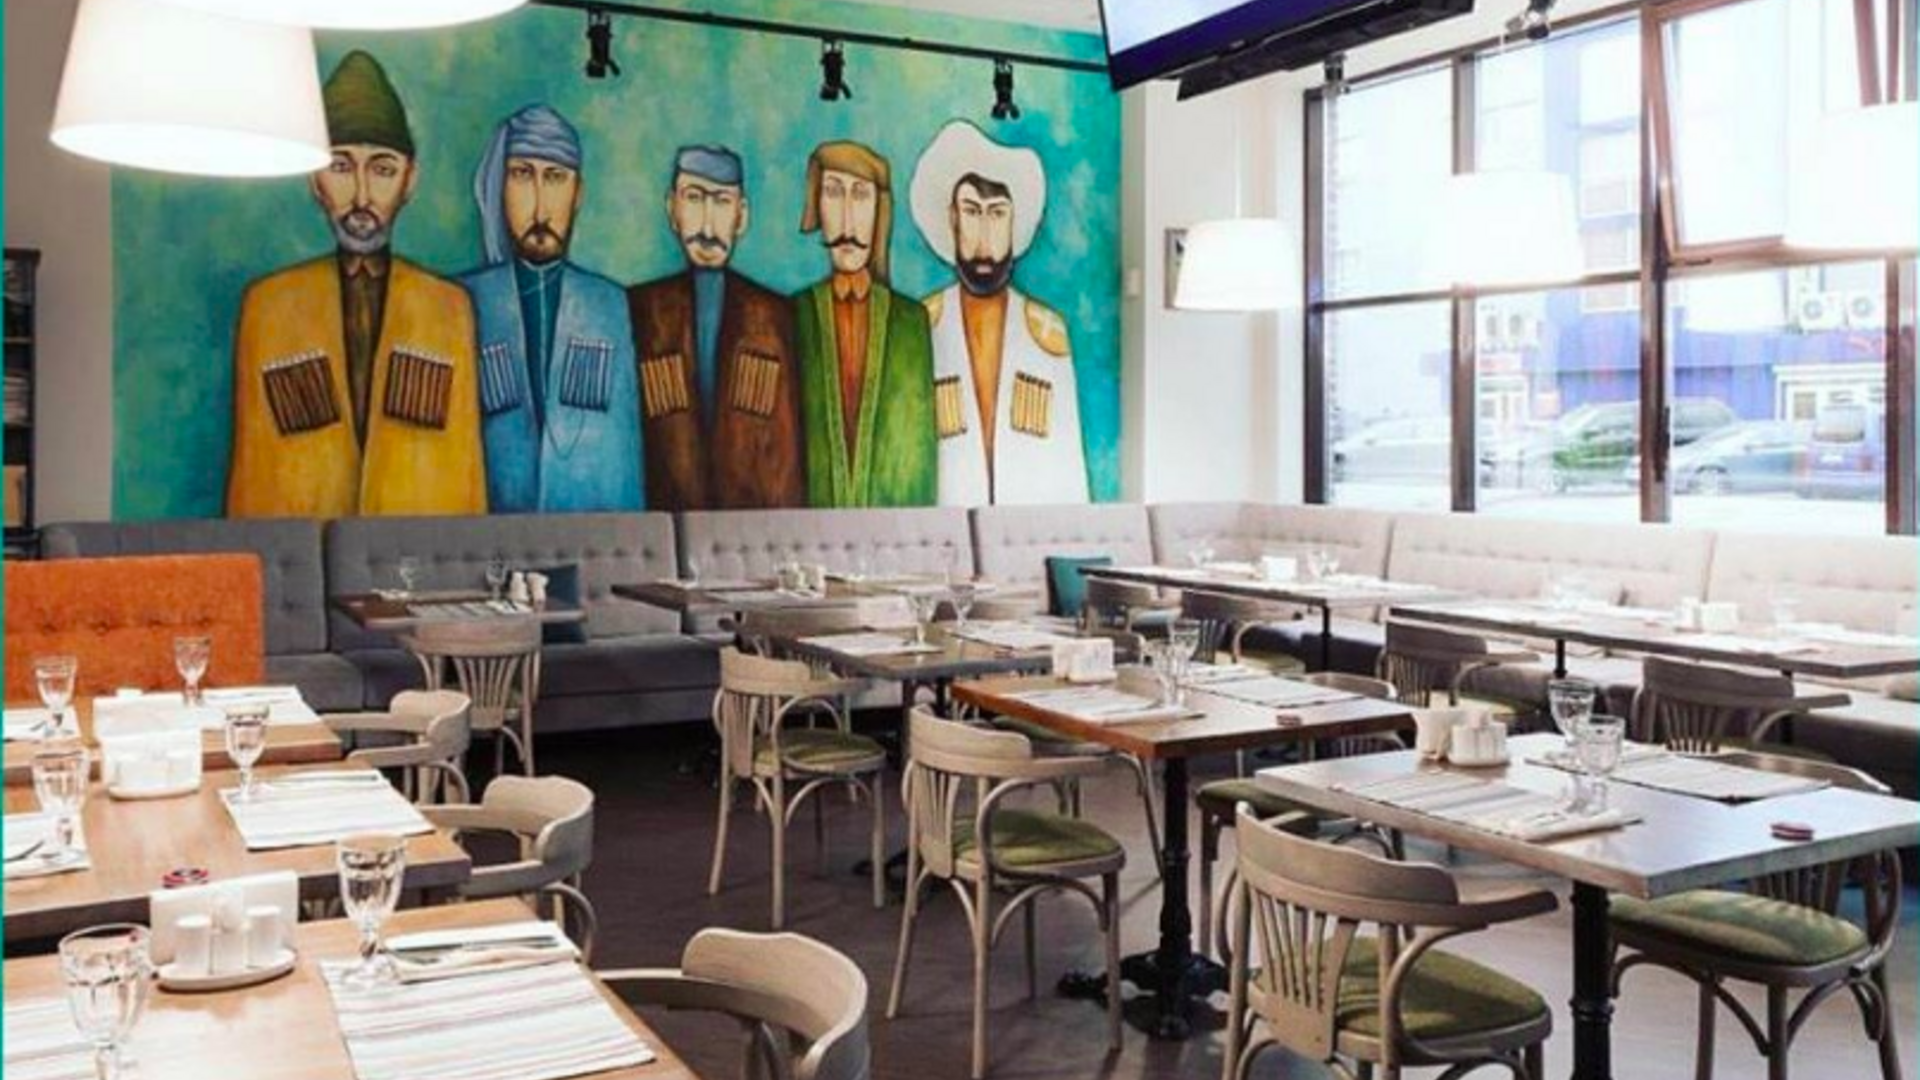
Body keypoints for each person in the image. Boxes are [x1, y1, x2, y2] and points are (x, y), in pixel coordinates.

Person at [227, 50, 485, 518]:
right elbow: (252, 469)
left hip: (412, 547)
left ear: (410, 180)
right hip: (303, 543)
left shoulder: (448, 308)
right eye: (341, 167)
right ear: (314, 179)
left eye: (383, 169)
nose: (362, 197)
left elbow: (464, 466)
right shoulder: (268, 307)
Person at [460, 104, 642, 513]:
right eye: (522, 175)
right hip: (489, 535)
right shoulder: (462, 302)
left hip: (592, 532)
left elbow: (623, 455)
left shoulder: (611, 307)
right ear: (499, 186)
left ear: (578, 193)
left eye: (556, 177)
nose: (540, 207)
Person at [909, 120, 1089, 505]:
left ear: (1014, 221)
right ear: (953, 218)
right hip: (942, 529)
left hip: (1027, 528)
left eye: (997, 214)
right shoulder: (920, 325)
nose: (984, 239)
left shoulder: (1047, 333)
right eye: (972, 211)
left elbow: (1069, 465)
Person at [628, 146, 804, 509]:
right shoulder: (642, 312)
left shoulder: (775, 319)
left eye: (722, 202)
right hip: (664, 526)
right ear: (672, 209)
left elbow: (787, 459)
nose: (708, 226)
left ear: (741, 216)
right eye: (694, 198)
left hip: (753, 530)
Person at [793, 141, 935, 508]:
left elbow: (918, 454)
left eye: (859, 196)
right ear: (816, 205)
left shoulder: (910, 322)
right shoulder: (796, 314)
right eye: (832, 193)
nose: (847, 220)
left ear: (879, 210)